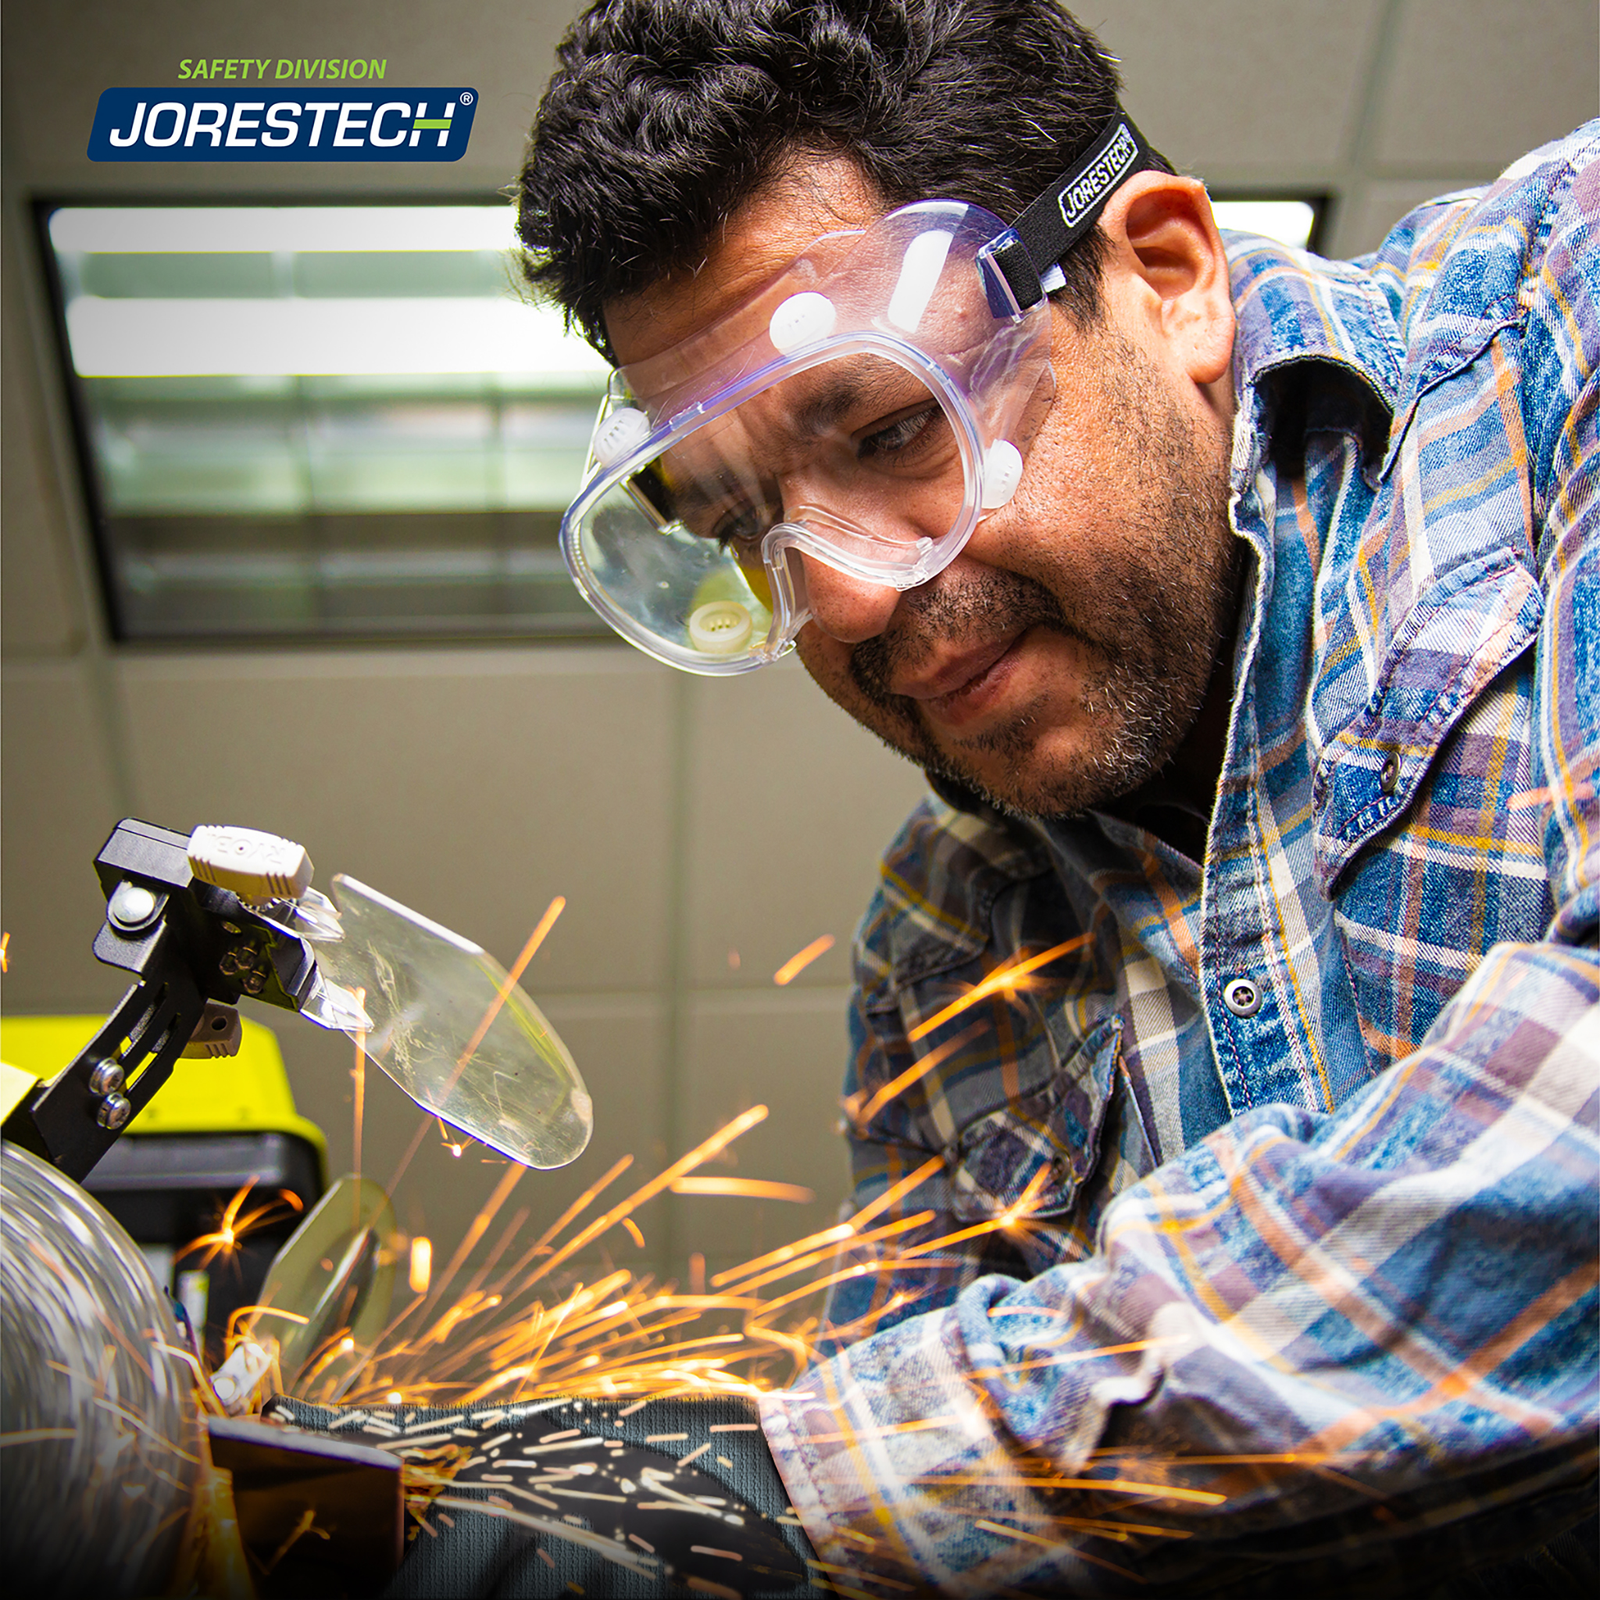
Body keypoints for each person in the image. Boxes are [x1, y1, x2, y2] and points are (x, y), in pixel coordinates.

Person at [517, 1, 1598, 1593]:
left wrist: (806, 1491)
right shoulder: (946, 945)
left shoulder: (1560, 334)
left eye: (893, 429)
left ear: (1162, 276)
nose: (849, 603)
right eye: (748, 527)